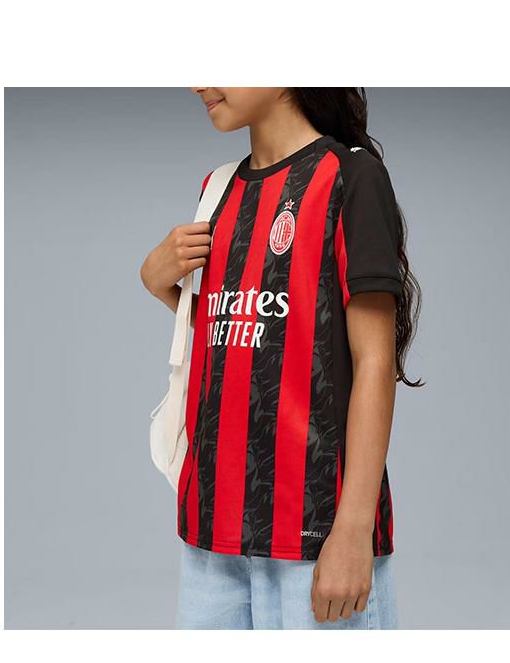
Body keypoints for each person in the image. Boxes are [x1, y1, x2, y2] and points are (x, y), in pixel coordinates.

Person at [140, 88, 422, 629]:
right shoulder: (217, 189)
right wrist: (160, 286)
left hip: (318, 535)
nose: (198, 81)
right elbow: (249, 334)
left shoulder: (350, 177)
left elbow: (374, 362)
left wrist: (353, 531)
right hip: (212, 536)